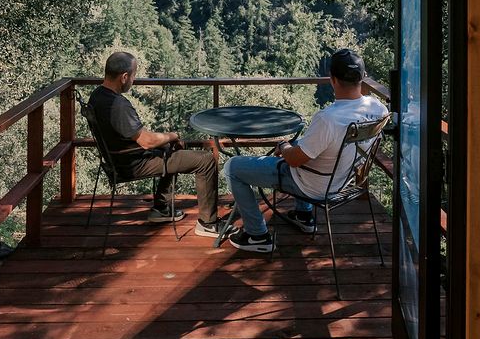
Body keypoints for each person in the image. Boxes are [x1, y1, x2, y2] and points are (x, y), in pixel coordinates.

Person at [223, 48, 388, 253]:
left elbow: (294, 161)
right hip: (345, 180)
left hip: (314, 186)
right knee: (308, 147)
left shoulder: (328, 119)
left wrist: (284, 146)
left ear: (333, 80)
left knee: (233, 167)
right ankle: (304, 216)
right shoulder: (378, 109)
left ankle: (257, 235)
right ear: (362, 78)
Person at [89, 51, 220, 237]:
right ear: (124, 77)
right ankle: (208, 223)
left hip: (118, 160)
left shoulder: (97, 96)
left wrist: (168, 141)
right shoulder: (118, 105)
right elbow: (146, 141)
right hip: (134, 164)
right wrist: (173, 135)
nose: (134, 80)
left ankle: (162, 208)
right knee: (205, 160)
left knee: (171, 147)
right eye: (134, 75)